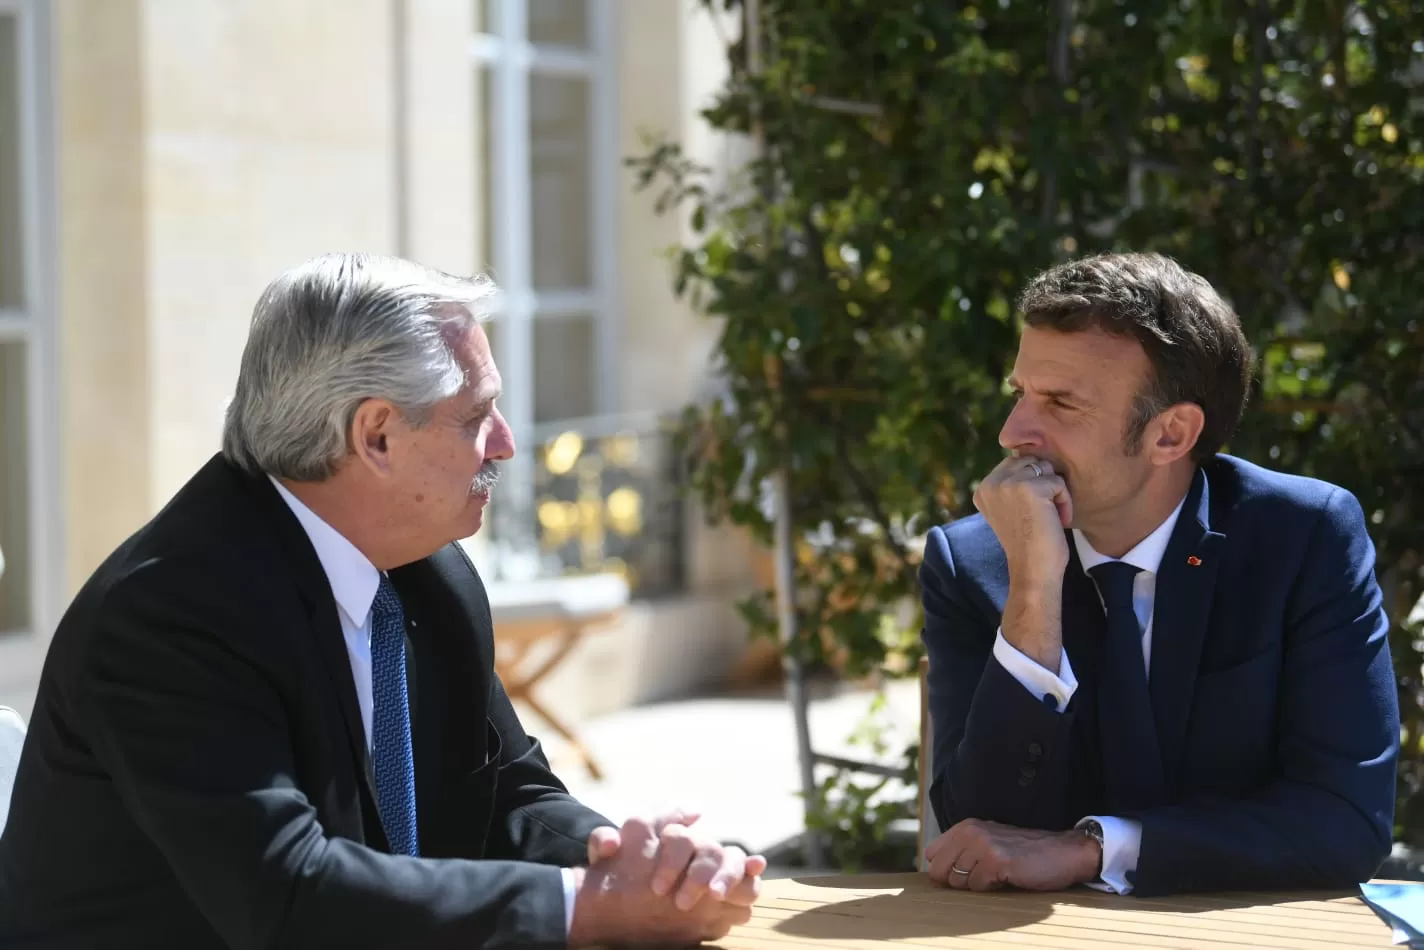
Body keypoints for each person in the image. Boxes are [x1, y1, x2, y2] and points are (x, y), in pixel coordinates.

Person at [0, 253, 765, 949]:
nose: (503, 442)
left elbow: (506, 792)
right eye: (476, 416)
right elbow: (288, 895)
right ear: (375, 437)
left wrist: (633, 866)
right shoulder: (169, 616)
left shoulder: (429, 574)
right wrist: (586, 905)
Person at [919, 252, 1399, 897]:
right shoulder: (969, 561)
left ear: (1171, 435)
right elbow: (977, 830)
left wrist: (1092, 848)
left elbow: (1344, 824)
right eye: (1020, 394)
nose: (1013, 432)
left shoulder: (1303, 537)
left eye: (1060, 403)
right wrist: (1035, 586)